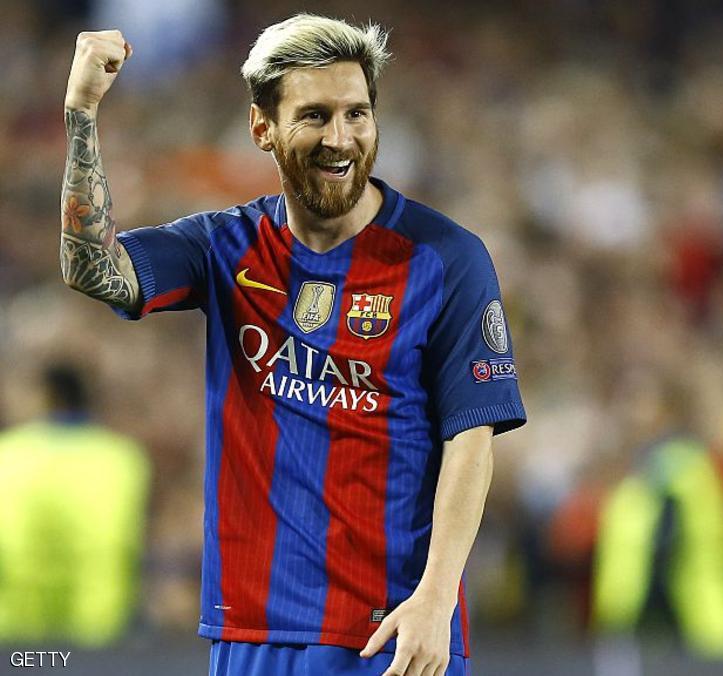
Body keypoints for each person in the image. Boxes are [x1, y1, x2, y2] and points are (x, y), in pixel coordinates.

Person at [59, 13, 526, 676]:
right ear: (262, 129)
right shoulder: (223, 246)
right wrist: (81, 113)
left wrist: (436, 599)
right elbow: (92, 269)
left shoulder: (446, 258)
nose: (341, 138)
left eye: (357, 114)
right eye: (314, 116)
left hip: (391, 633)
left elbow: (473, 437)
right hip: (252, 633)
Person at [0, 362, 149, 647]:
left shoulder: (7, 456)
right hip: (100, 634)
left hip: (14, 635)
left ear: (46, 396)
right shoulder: (122, 458)